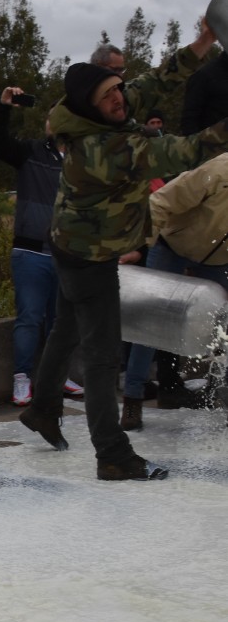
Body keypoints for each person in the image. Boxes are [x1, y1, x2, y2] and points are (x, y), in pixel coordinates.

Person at [18, 22, 228, 481]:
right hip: (88, 256)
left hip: (72, 242)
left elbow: (155, 81)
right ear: (90, 106)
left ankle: (41, 409)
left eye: (118, 90)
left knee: (65, 332)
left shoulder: (98, 110)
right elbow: (183, 151)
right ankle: (111, 453)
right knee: (102, 356)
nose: (120, 99)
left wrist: (206, 40)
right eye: (110, 95)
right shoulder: (102, 148)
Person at [0, 87, 84, 406]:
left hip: (65, 253)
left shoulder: (81, 160)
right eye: (49, 117)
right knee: (29, 317)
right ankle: (22, 379)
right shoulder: (30, 152)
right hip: (30, 252)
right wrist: (3, 108)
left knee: (60, 321)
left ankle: (58, 376)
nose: (53, 122)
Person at [120, 153, 228, 430]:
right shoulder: (216, 171)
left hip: (216, 259)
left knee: (225, 326)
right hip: (173, 246)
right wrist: (138, 246)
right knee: (150, 322)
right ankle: (133, 398)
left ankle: (224, 396)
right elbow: (160, 202)